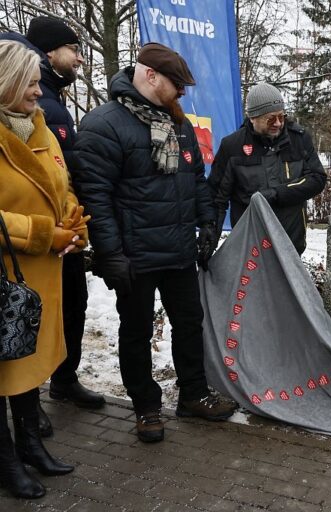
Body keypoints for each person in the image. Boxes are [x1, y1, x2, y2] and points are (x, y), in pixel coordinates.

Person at [72, 42, 236, 444]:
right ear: (149, 75)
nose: (182, 92)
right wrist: (110, 253)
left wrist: (207, 226)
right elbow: (95, 197)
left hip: (179, 249)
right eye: (176, 84)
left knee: (189, 325)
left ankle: (194, 395)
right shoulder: (103, 124)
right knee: (136, 332)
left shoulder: (178, 124)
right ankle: (145, 406)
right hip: (134, 256)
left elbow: (195, 181)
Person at [0, 40, 78, 499]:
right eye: (29, 82)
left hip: (38, 276)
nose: (37, 91)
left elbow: (61, 185)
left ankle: (31, 444)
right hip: (7, 275)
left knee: (25, 365)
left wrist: (73, 221)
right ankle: (6, 460)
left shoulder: (40, 126)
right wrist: (45, 233)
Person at [20, 16, 106, 435]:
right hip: (33, 242)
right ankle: (27, 401)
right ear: (49, 52)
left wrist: (76, 217)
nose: (79, 58)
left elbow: (66, 174)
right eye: (74, 49)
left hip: (65, 234)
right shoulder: (38, 105)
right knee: (33, 318)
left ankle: (63, 380)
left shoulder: (52, 101)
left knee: (72, 307)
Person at [208, 82, 327, 254]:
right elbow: (216, 198)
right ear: (253, 117)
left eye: (281, 116)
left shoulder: (299, 139)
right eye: (270, 118)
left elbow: (317, 179)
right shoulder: (232, 146)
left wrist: (278, 193)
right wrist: (211, 235)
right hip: (250, 246)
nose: (278, 123)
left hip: (290, 244)